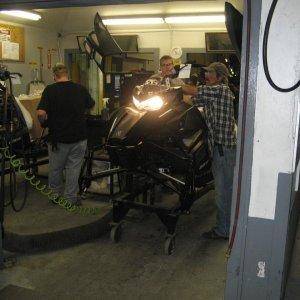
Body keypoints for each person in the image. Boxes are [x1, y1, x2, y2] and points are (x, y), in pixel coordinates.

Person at [37, 63, 95, 206]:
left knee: (56, 169)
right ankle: (70, 198)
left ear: (54, 76)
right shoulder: (80, 89)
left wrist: (43, 122)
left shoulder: (50, 90)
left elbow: (41, 113)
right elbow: (91, 104)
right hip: (79, 137)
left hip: (58, 138)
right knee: (73, 169)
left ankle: (55, 196)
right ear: (67, 74)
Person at [192, 62, 237, 240]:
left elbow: (194, 93)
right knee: (224, 191)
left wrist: (174, 84)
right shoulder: (212, 93)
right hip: (220, 150)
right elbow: (192, 100)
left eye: (210, 72)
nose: (206, 75)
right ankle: (227, 226)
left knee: (223, 193)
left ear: (220, 77)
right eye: (206, 72)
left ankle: (224, 230)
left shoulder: (221, 90)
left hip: (224, 151)